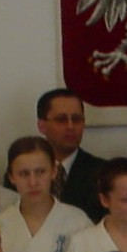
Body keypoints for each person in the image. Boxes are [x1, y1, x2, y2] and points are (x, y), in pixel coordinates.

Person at [35, 88, 106, 222]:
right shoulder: (24, 171)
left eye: (76, 119)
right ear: (42, 126)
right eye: (61, 119)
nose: (70, 126)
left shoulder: (103, 172)